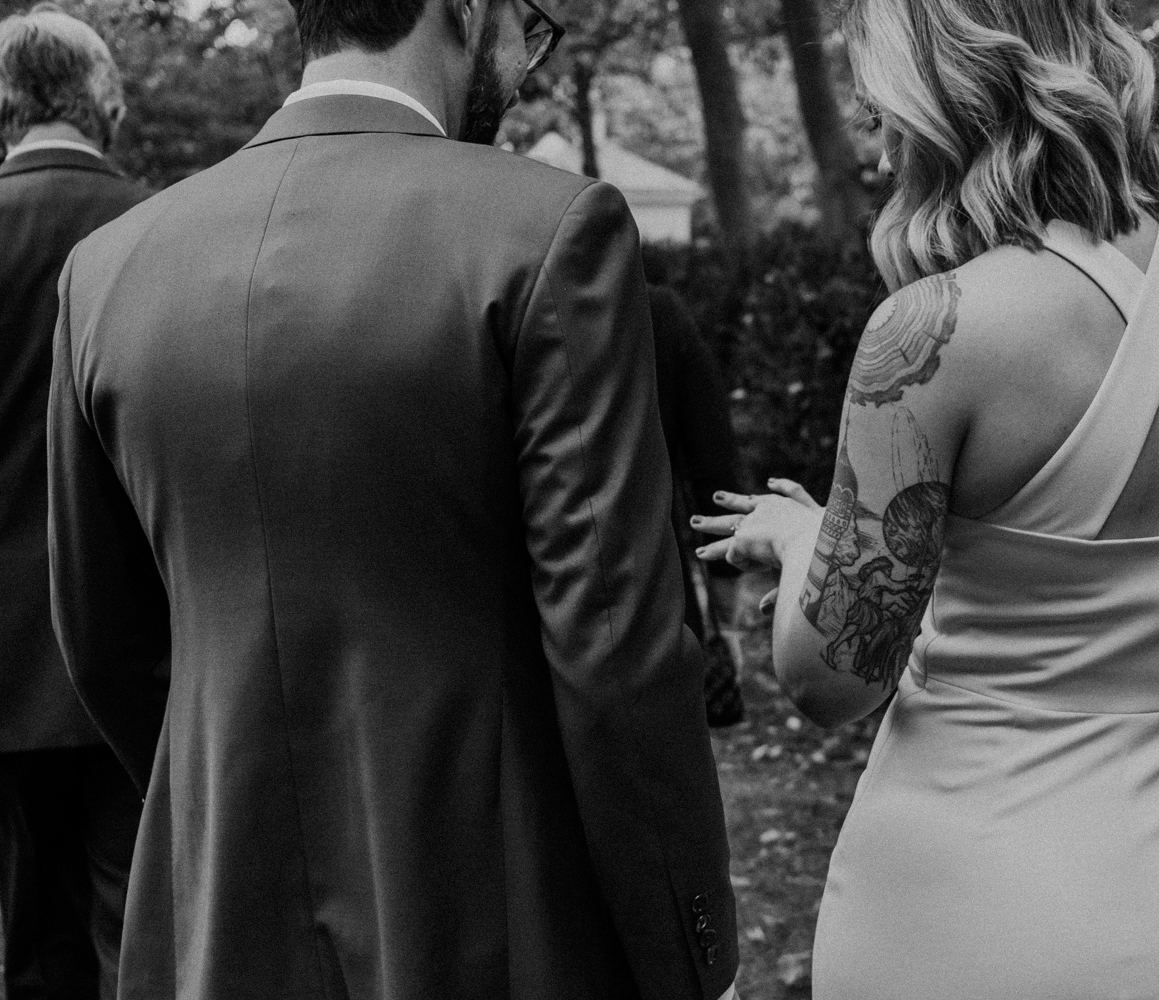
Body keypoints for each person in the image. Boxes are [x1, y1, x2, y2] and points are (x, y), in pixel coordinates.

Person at [46, 0, 739, 996]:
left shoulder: (109, 268)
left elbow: (103, 638)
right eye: (526, 26)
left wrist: (229, 787)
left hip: (212, 921)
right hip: (491, 919)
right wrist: (692, 949)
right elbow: (614, 643)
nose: (526, 65)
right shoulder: (548, 229)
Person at [699, 0, 1159, 995]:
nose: (877, 150)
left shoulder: (934, 332)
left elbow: (829, 677)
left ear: (947, 98)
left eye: (881, 109)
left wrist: (803, 537)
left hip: (968, 905)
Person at [0, 8, 149, 998]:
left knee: (28, 934)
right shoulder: (161, 227)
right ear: (106, 101)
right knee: (138, 926)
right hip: (133, 645)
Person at [646, 282, 746, 725]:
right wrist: (726, 626)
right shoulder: (658, 314)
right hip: (653, 594)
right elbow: (713, 471)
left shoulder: (501, 308)